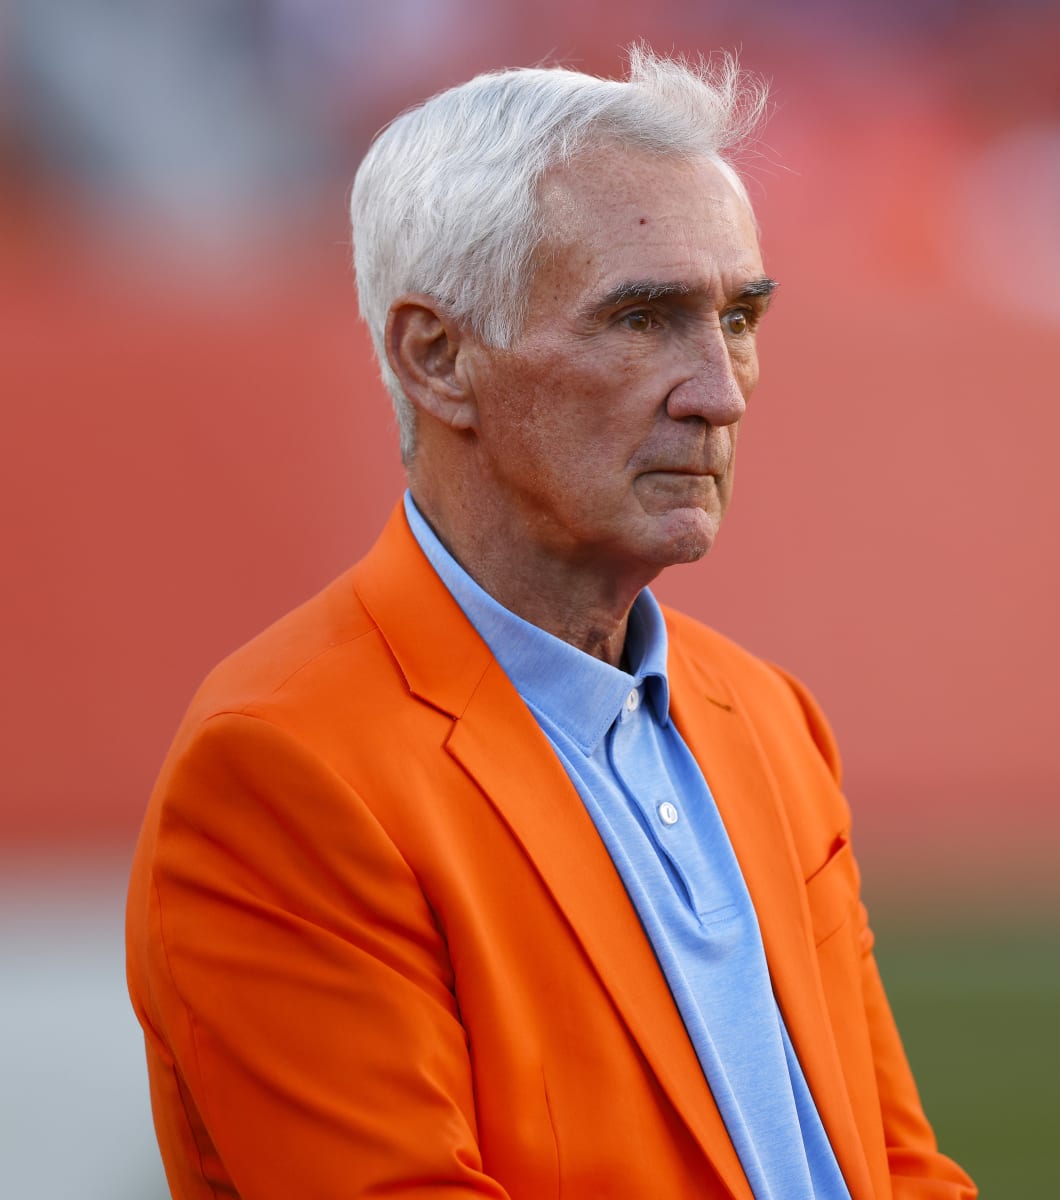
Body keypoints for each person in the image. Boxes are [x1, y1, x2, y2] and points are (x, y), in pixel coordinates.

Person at [123, 49, 977, 1200]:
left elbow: (899, 1169)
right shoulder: (285, 771)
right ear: (437, 357)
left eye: (737, 315)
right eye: (642, 318)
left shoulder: (769, 722)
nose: (718, 389)